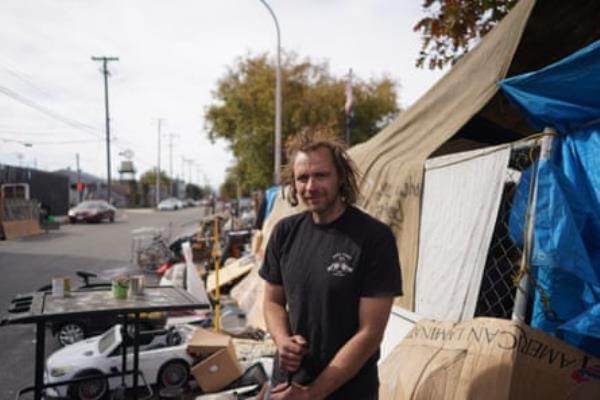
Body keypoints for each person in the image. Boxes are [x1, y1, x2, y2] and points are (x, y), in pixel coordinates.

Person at [258, 127, 403, 399]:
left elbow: (370, 333)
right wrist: (283, 341)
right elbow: (273, 302)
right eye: (302, 178)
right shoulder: (284, 233)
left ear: (340, 178)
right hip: (288, 387)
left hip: (347, 391)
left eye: (321, 175)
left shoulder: (374, 238)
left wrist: (312, 394)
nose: (311, 187)